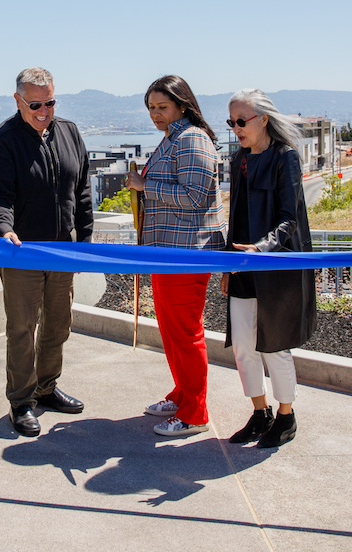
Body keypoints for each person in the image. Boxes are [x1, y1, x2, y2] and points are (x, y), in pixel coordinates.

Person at [0, 67, 94, 437]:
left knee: (58, 324)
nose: (44, 110)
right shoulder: (3, 140)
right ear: (18, 101)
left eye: (50, 102)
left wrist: (85, 239)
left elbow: (82, 191)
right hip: (22, 251)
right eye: (35, 104)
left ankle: (47, 387)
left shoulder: (70, 133)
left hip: (63, 249)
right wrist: (4, 229)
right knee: (22, 327)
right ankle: (21, 400)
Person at [126, 75, 225, 437]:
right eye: (151, 107)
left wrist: (144, 185)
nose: (155, 114)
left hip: (187, 253)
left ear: (183, 105)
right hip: (168, 251)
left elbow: (196, 198)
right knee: (171, 331)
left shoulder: (192, 139)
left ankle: (195, 412)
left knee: (185, 333)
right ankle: (183, 394)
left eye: (162, 107)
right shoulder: (173, 138)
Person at [220, 88, 316, 449]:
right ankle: (260, 412)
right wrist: (231, 266)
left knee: (274, 345)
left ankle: (286, 417)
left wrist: (262, 248)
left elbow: (289, 218)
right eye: (232, 122)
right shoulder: (238, 159)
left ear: (264, 119)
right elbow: (236, 217)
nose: (236, 128)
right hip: (243, 264)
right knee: (243, 346)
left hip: (275, 268)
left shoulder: (285, 157)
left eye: (241, 121)